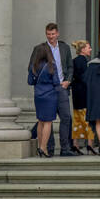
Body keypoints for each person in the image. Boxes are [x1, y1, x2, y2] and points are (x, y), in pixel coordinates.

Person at [28, 23, 77, 157]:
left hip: (61, 87)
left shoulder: (64, 47)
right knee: (46, 119)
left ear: (57, 33)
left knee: (66, 117)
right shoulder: (39, 48)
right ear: (46, 34)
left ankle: (65, 148)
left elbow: (70, 67)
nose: (51, 37)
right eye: (48, 34)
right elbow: (31, 68)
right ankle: (48, 148)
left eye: (53, 34)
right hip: (47, 89)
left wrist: (68, 80)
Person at [27, 43, 62, 159]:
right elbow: (56, 82)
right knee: (48, 122)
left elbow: (30, 82)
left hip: (38, 95)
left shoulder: (34, 66)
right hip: (50, 95)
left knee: (40, 121)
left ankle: (40, 147)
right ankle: (43, 148)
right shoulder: (51, 65)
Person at [70, 41, 96, 154]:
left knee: (77, 120)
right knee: (88, 120)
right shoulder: (84, 62)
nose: (90, 49)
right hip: (84, 94)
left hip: (77, 94)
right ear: (82, 49)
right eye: (89, 47)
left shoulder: (75, 61)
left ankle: (75, 144)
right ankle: (90, 144)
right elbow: (86, 79)